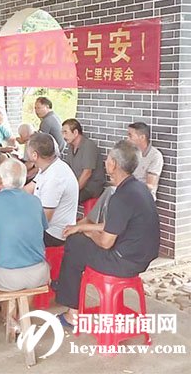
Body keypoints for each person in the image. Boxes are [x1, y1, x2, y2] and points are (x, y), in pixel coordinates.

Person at [55, 140, 160, 329]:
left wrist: (86, 232)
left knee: (74, 243)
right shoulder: (139, 188)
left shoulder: (120, 197)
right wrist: (82, 227)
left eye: (108, 158)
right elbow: (114, 225)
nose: (106, 161)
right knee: (78, 236)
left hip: (123, 262)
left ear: (113, 165)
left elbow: (105, 242)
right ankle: (66, 284)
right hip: (141, 258)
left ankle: (72, 314)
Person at [0, 159, 50, 337]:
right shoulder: (35, 201)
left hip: (8, 277)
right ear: (23, 180)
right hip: (40, 273)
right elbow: (42, 228)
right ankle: (17, 318)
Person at [24, 133, 78, 246]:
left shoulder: (55, 178)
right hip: (47, 227)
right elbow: (29, 189)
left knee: (11, 234)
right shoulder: (48, 166)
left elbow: (44, 220)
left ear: (34, 155)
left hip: (53, 234)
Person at [62, 119, 106, 203]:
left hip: (90, 187)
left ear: (75, 132)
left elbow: (87, 173)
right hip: (77, 183)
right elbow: (67, 168)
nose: (63, 136)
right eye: (62, 133)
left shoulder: (88, 146)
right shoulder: (70, 146)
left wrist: (74, 191)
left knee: (66, 200)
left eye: (65, 132)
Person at [128, 122, 163, 199]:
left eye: (130, 136)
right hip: (128, 192)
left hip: (143, 197)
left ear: (142, 137)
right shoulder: (131, 152)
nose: (128, 139)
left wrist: (129, 186)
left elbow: (150, 185)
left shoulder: (155, 156)